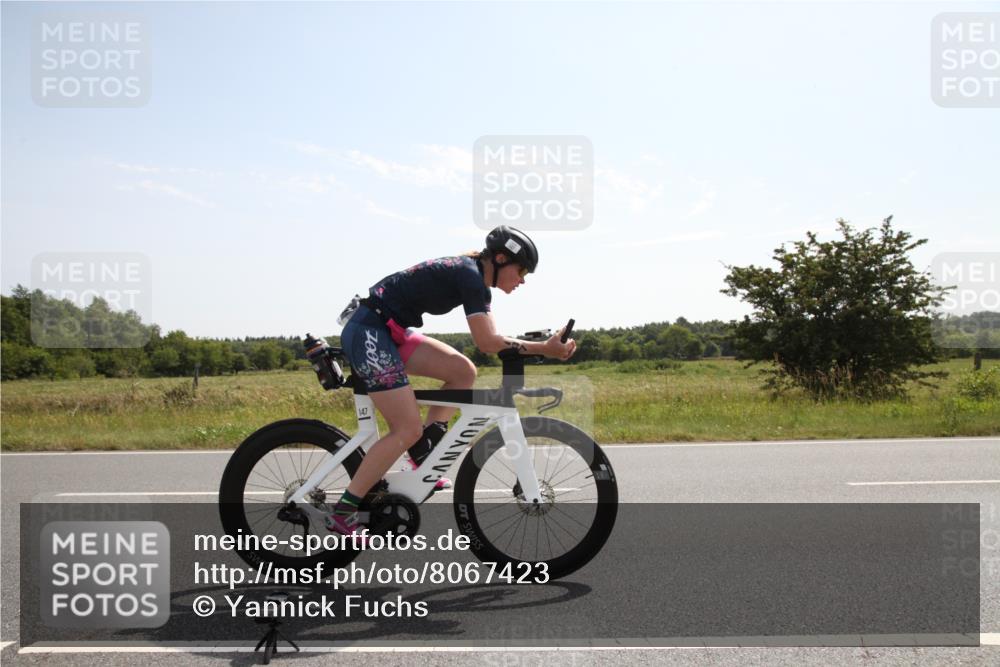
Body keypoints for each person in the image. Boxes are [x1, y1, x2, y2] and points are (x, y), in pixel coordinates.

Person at [325, 225, 576, 539]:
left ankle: (423, 453)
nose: (523, 280)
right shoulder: (470, 276)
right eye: (521, 270)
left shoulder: (471, 273)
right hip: (370, 331)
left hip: (388, 330)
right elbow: (487, 341)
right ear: (499, 258)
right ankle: (345, 511)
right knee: (406, 428)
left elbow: (489, 341)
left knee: (462, 372)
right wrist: (545, 349)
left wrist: (536, 347)